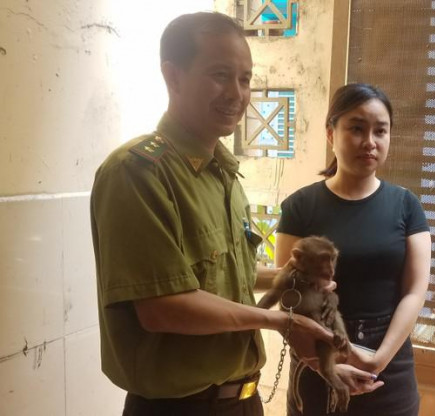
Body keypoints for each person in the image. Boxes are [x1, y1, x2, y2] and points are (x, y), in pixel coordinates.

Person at [90, 12, 352, 416]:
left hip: (244, 401)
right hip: (179, 409)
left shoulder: (223, 174)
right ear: (173, 77)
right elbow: (163, 306)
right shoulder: (138, 172)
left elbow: (227, 276)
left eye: (245, 79)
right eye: (219, 75)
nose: (237, 93)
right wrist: (282, 322)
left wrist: (293, 278)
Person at [276, 83, 432, 416]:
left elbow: (415, 291)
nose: (370, 141)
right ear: (331, 133)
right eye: (357, 129)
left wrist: (378, 360)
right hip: (318, 364)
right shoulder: (299, 207)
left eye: (380, 131)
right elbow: (289, 299)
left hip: (390, 372)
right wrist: (324, 365)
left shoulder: (407, 206)